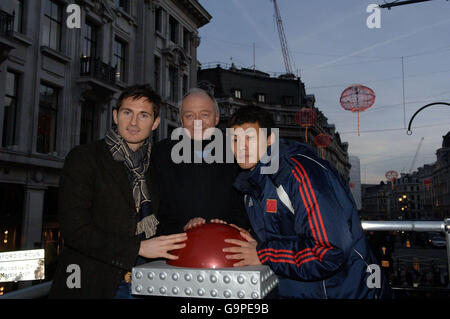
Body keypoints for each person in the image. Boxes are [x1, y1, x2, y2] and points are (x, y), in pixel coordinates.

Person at [223, 105, 391, 299]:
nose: (241, 146)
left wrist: (263, 254)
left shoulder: (298, 173)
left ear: (270, 140)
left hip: (344, 291)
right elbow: (287, 234)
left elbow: (329, 252)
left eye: (250, 138)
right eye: (234, 139)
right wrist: (255, 242)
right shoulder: (252, 184)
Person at [49, 85, 187, 298]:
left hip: (146, 283)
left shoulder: (154, 166)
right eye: (127, 113)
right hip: (94, 284)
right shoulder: (84, 158)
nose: (133, 122)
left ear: (155, 123)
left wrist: (190, 224)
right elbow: (75, 230)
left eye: (143, 115)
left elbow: (161, 221)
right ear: (115, 116)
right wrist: (138, 248)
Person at [150, 88, 250, 235]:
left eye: (205, 115)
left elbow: (247, 204)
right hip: (174, 245)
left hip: (228, 243)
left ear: (216, 118)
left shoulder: (237, 151)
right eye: (190, 115)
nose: (197, 122)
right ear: (182, 120)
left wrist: (229, 226)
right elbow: (153, 211)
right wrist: (182, 228)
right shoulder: (160, 154)